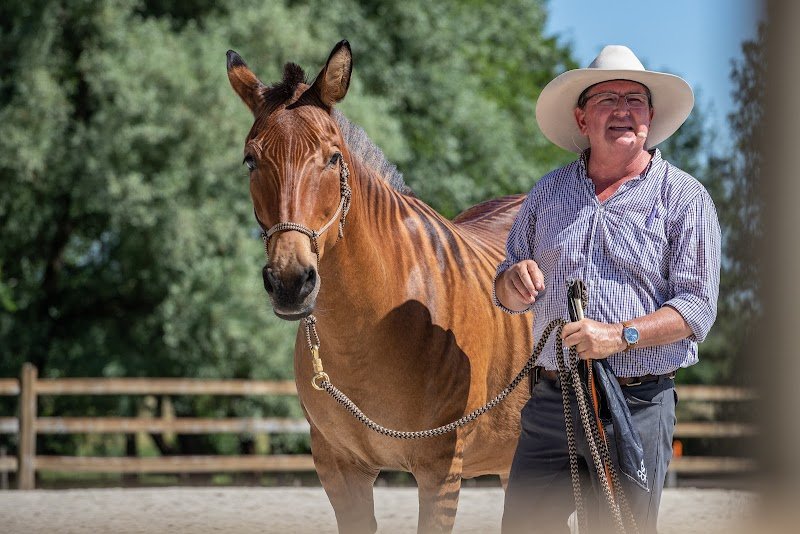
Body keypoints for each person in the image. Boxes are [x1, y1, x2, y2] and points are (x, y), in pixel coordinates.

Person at [493, 45, 721, 533]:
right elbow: (505, 292)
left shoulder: (685, 199)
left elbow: (697, 308)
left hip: (637, 405)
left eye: (635, 99)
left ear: (650, 116)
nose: (623, 110)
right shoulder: (547, 194)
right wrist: (511, 283)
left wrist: (620, 336)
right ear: (581, 118)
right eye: (606, 99)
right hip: (552, 402)